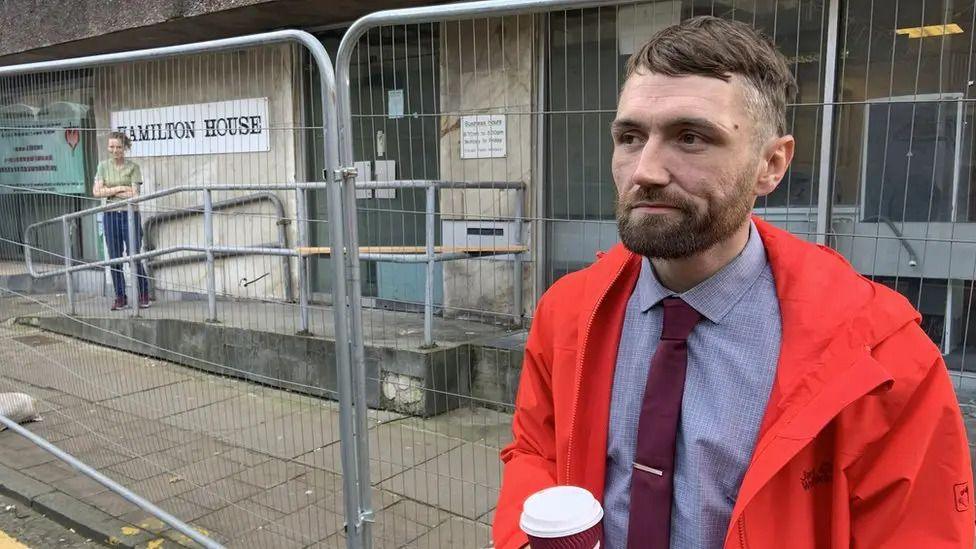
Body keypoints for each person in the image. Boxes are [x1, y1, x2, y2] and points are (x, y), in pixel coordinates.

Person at [494, 16, 974, 549]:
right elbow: (535, 454)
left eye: (691, 137)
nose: (645, 170)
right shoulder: (567, 313)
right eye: (630, 137)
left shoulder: (881, 356)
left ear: (772, 164)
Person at [93, 131, 149, 310]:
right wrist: (120, 188)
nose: (115, 150)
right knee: (114, 258)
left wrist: (109, 190)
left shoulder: (133, 167)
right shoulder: (103, 166)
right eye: (112, 146)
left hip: (129, 214)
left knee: (135, 256)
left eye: (118, 147)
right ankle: (120, 297)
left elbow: (135, 194)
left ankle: (143, 294)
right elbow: (96, 192)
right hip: (110, 215)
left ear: (125, 148)